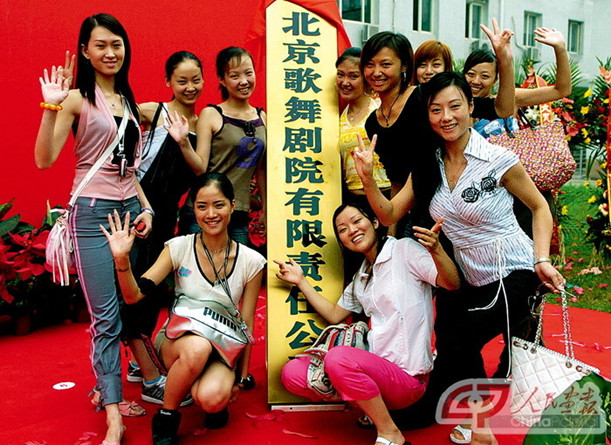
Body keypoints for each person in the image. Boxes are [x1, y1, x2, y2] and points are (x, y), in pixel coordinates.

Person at [354, 72, 566, 443]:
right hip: (467, 274)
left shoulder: (497, 158)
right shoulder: (428, 166)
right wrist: (369, 180)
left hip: (514, 269)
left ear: (470, 107)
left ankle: (481, 427)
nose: (446, 117)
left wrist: (541, 259)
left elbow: (539, 207)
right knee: (448, 337)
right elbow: (388, 215)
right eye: (436, 109)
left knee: (462, 338)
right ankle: (434, 403)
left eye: (455, 106)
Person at [34, 13, 151, 445]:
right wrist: (50, 106)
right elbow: (44, 160)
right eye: (100, 45)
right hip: (93, 215)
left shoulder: (128, 101)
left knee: (128, 307)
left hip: (129, 214)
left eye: (116, 44)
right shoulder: (75, 99)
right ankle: (114, 417)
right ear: (85, 51)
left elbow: (129, 170)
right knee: (105, 317)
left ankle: (109, 386)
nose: (110, 52)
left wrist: (146, 208)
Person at [275, 203, 460, 445]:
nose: (351, 230)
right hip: (375, 369)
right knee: (293, 373)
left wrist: (436, 250)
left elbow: (451, 283)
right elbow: (334, 314)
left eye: (356, 221)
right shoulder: (361, 277)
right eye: (342, 229)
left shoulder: (403, 250)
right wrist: (301, 281)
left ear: (374, 222)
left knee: (339, 358)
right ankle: (367, 403)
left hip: (408, 378)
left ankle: (390, 433)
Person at [102, 172, 266, 445]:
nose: (210, 214)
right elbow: (134, 296)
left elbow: (246, 323)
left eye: (219, 205)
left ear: (232, 206)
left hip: (222, 346)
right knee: (197, 348)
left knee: (212, 399)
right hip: (177, 340)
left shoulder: (252, 261)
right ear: (193, 209)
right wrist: (122, 260)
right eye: (202, 206)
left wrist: (241, 378)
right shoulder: (178, 247)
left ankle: (196, 384)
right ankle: (166, 417)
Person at [361, 20, 515, 237]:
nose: (376, 72)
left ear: (404, 66)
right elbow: (396, 180)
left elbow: (502, 108)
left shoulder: (425, 95)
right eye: (370, 64)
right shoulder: (372, 123)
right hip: (417, 217)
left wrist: (505, 61)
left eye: (385, 64)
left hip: (457, 208)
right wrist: (391, 235)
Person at [121, 51, 206, 405]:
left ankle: (138, 361)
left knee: (153, 291)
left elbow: (200, 169)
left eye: (196, 80)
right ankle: (149, 376)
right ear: (168, 81)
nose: (190, 87)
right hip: (138, 210)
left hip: (168, 215)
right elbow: (113, 119)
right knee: (135, 287)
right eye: (181, 81)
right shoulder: (153, 111)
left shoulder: (202, 122)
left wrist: (184, 140)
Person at [179, 47, 266, 245]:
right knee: (196, 264)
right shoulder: (211, 114)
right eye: (234, 76)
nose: (243, 81)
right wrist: (184, 143)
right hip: (204, 212)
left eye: (248, 73)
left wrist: (265, 211)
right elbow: (200, 167)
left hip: (239, 213)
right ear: (222, 80)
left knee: (238, 265)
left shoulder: (262, 117)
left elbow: (261, 171)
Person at [463, 27, 571, 138]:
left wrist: (560, 49)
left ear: (495, 79)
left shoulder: (510, 99)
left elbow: (561, 90)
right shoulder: (456, 107)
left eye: (485, 76)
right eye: (471, 74)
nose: (476, 81)